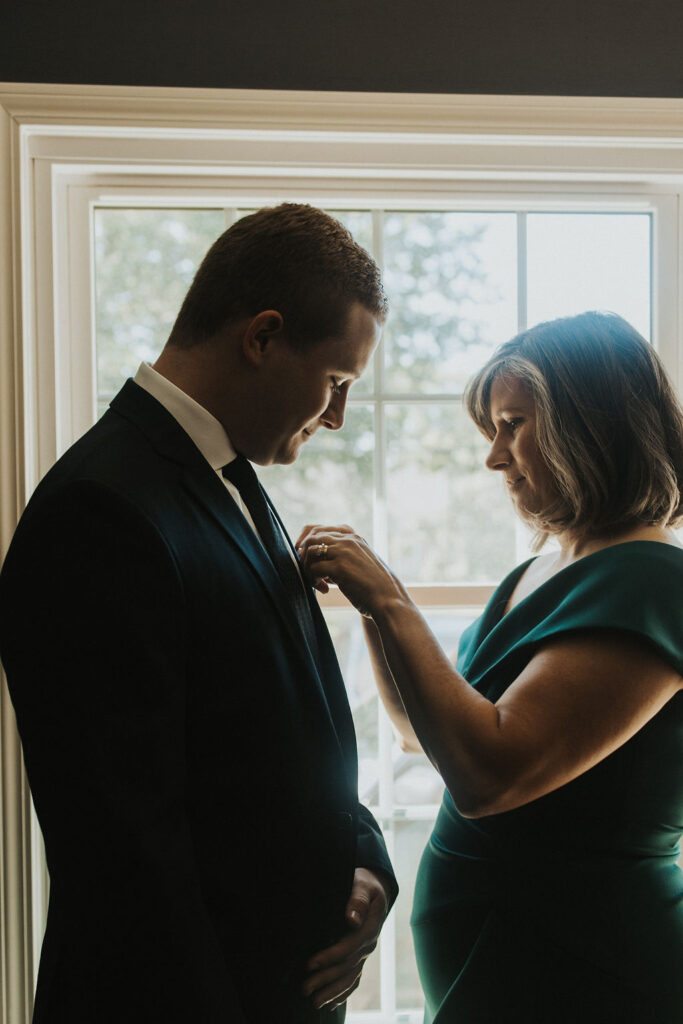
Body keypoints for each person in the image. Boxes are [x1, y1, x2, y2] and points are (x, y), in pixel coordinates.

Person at [0, 203, 398, 1024]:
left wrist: (362, 857)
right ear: (262, 337)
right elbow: (124, 854)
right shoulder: (102, 508)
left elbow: (284, 731)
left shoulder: (228, 478)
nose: (335, 418)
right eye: (335, 383)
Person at [297, 311, 683, 1023]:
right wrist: (377, 611)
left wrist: (389, 595)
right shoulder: (532, 573)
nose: (494, 457)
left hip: (590, 967)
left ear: (591, 428)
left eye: (513, 425)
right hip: (501, 959)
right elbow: (424, 735)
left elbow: (491, 774)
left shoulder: (656, 583)